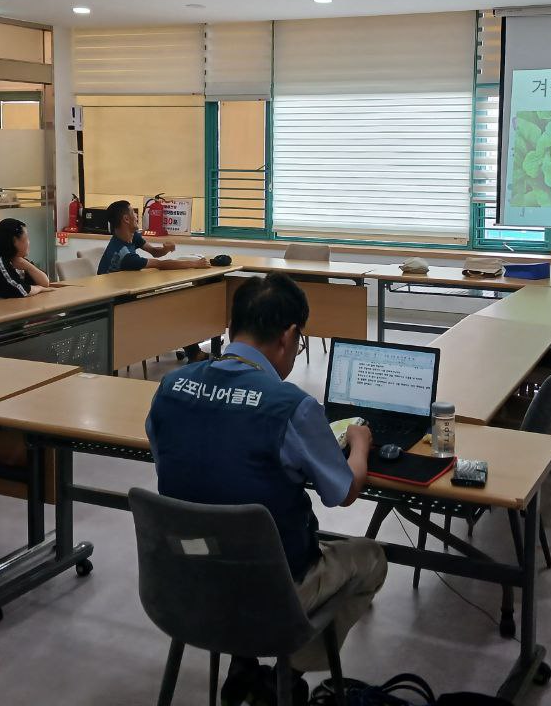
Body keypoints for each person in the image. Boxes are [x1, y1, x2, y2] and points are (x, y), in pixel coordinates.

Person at [146, 274, 387, 706]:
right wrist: (361, 442)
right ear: (290, 335)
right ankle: (285, 675)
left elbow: (174, 460)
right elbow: (345, 490)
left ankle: (244, 662)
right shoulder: (291, 406)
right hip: (271, 592)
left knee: (228, 518)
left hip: (185, 582)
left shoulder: (168, 389)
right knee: (371, 558)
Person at [98, 199, 212, 362]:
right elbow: (160, 265)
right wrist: (195, 264)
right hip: (116, 305)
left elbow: (155, 253)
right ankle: (194, 353)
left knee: (174, 303)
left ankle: (193, 352)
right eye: (133, 213)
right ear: (126, 219)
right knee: (170, 307)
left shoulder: (132, 236)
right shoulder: (124, 255)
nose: (137, 216)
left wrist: (165, 249)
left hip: (130, 294)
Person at [0, 217, 53, 304]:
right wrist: (39, 289)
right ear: (14, 241)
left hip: (11, 310)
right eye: (26, 238)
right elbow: (22, 291)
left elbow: (44, 283)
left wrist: (29, 267)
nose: (29, 242)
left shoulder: (20, 262)